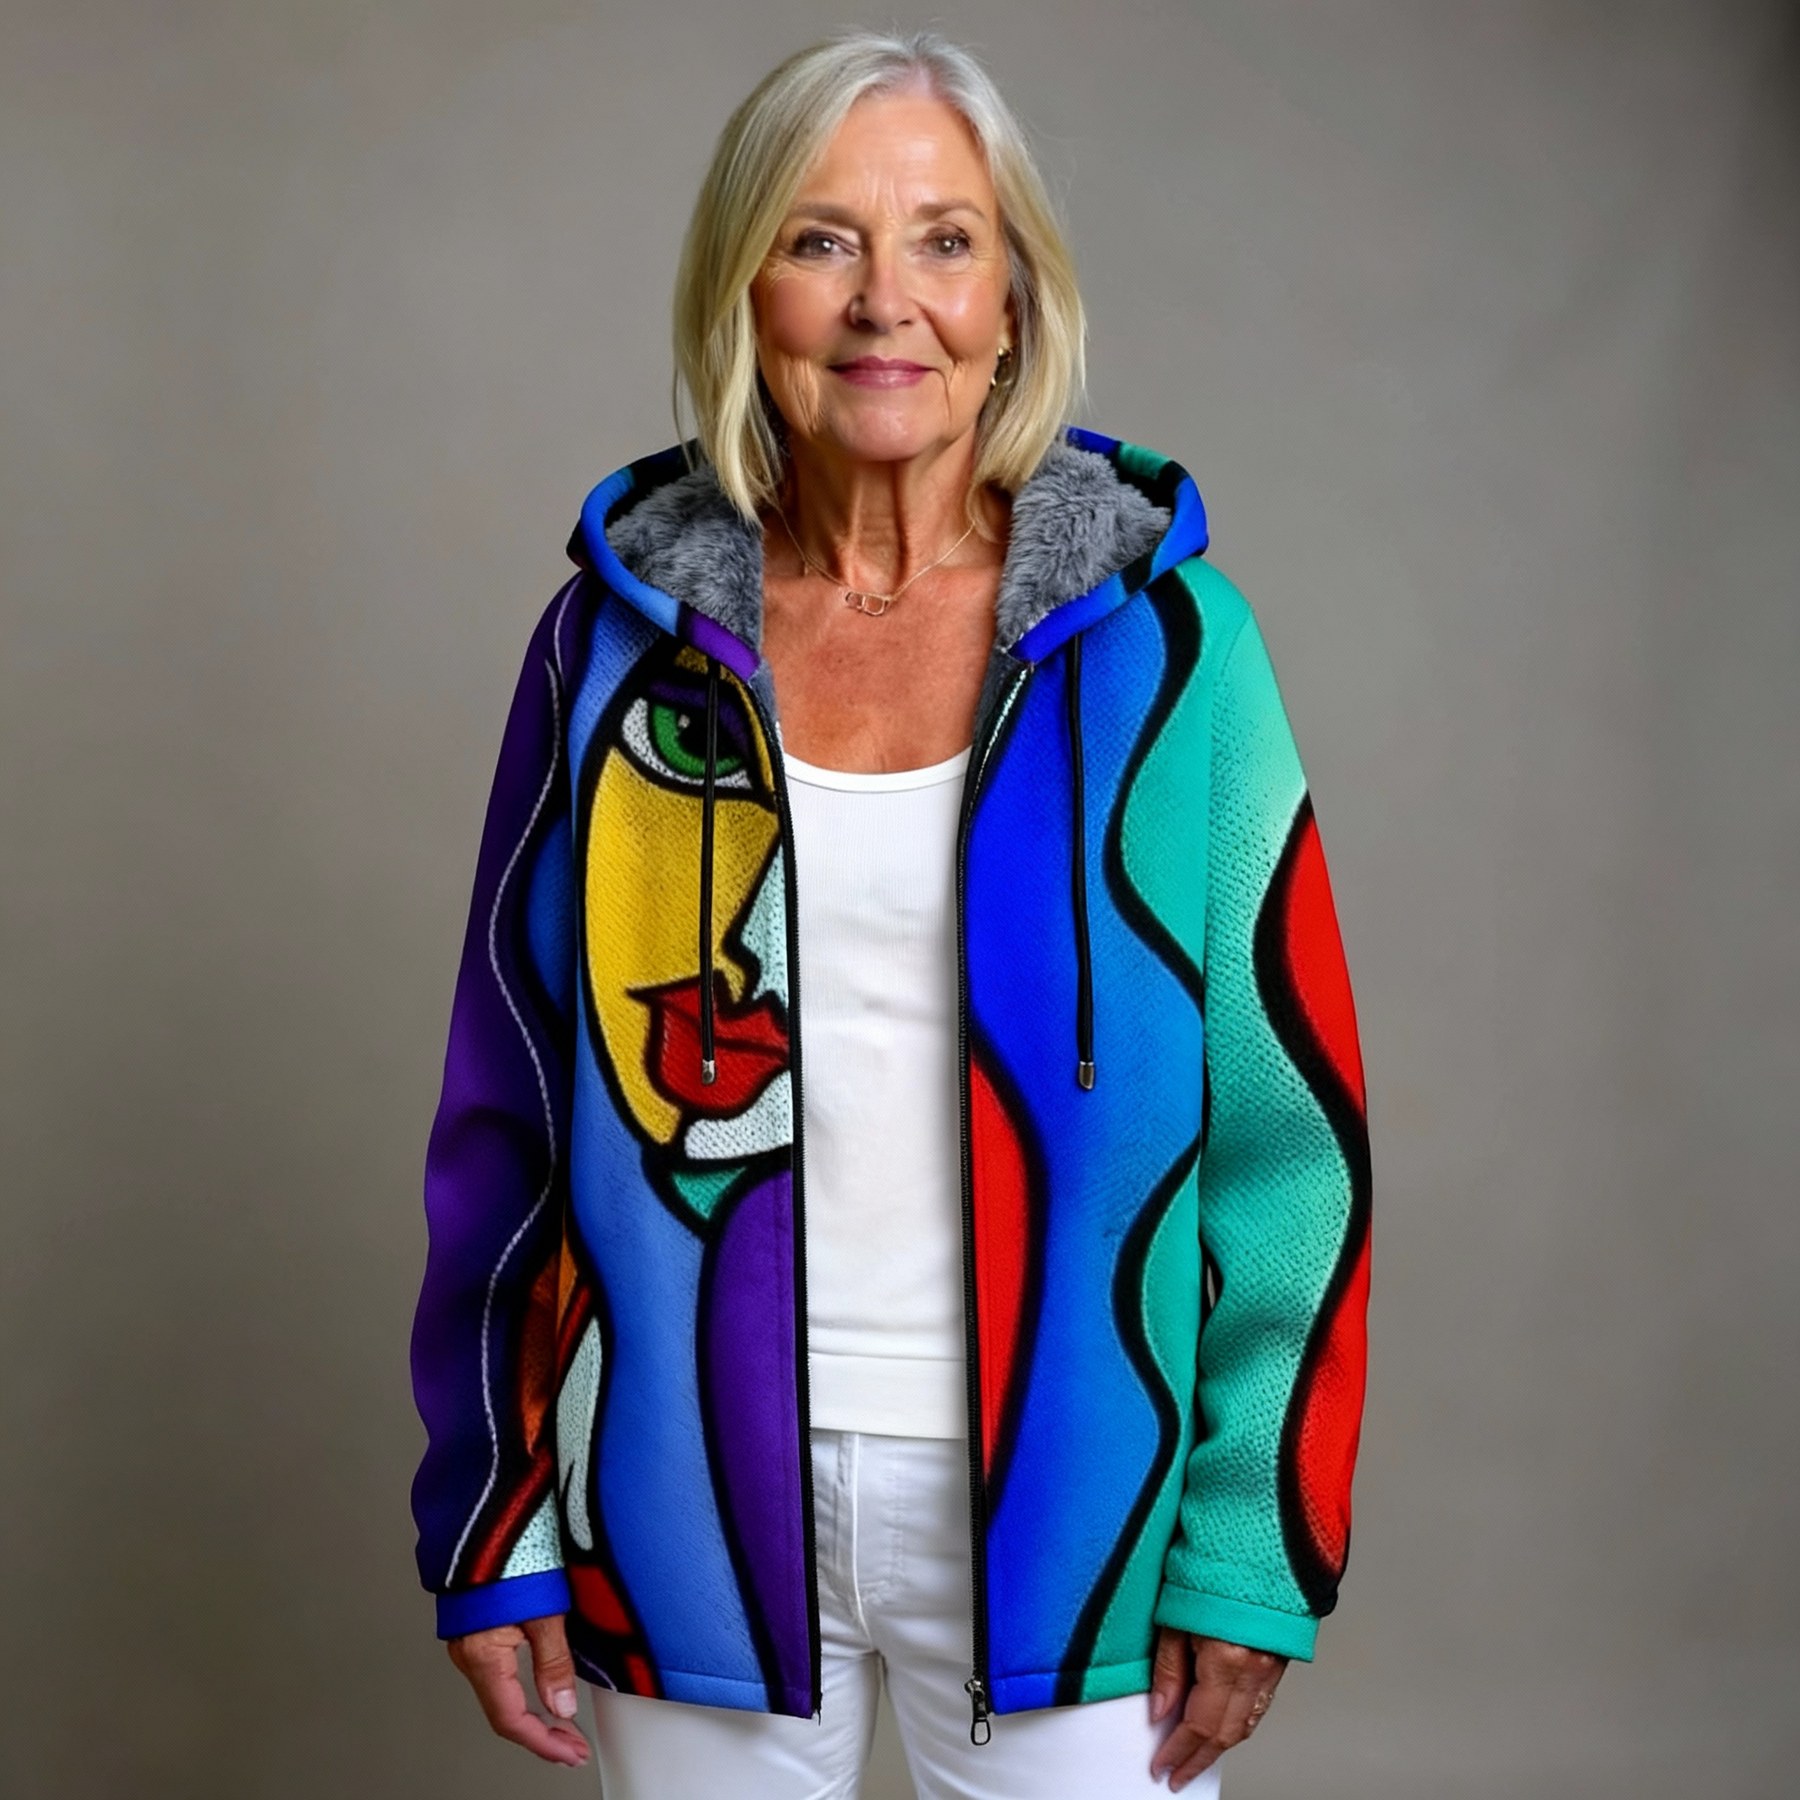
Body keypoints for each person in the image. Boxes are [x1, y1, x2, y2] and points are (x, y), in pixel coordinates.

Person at [409, 29, 1370, 1800]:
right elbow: (513, 1108)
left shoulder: (1171, 654)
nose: (884, 302)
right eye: (820, 239)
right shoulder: (615, 650)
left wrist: (1254, 1538)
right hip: (684, 1510)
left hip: (1076, 1516)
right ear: (745, 290)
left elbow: (1288, 1132)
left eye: (944, 239)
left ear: (1013, 299)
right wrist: (495, 1517)